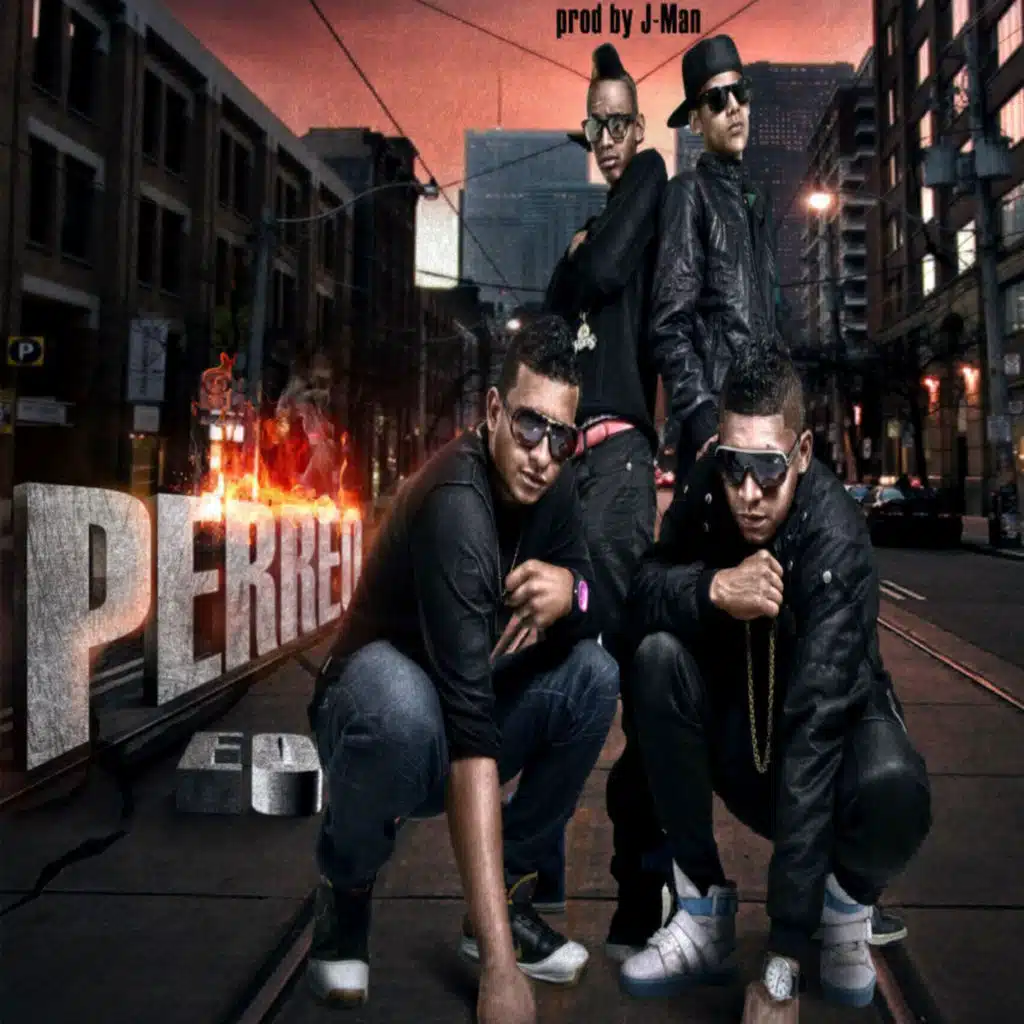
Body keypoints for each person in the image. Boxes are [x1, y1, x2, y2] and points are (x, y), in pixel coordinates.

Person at [305, 315, 619, 1022]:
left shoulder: (554, 487)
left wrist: (572, 592)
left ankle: (501, 903)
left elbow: (602, 601)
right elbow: (470, 730)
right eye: (530, 426)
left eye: (561, 438)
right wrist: (500, 976)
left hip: (458, 715)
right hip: (378, 724)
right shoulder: (456, 502)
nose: (542, 454)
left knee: (595, 678)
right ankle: (346, 889)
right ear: (494, 411)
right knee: (400, 703)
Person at [618, 344, 932, 1014]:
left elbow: (816, 732)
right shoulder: (708, 491)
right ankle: (702, 911)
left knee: (895, 786)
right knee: (655, 659)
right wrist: (710, 589)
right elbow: (642, 589)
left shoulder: (836, 539)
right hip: (743, 739)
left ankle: (843, 908)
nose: (749, 493)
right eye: (735, 466)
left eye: (768, 469)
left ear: (803, 452)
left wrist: (783, 955)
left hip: (829, 752)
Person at [542, 43, 681, 955]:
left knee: (634, 673)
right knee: (554, 667)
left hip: (622, 467)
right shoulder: (602, 221)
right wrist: (578, 259)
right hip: (569, 468)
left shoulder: (652, 180)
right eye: (594, 124)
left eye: (619, 121)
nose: (607, 137)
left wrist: (582, 257)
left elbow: (586, 282)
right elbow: (552, 322)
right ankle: (532, 889)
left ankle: (645, 892)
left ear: (638, 126)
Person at [653, 34, 780, 482]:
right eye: (716, 99)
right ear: (696, 121)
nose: (734, 108)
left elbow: (768, 325)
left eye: (740, 92)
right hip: (717, 430)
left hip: (764, 421)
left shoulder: (756, 203)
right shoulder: (688, 194)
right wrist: (703, 416)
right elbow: (668, 326)